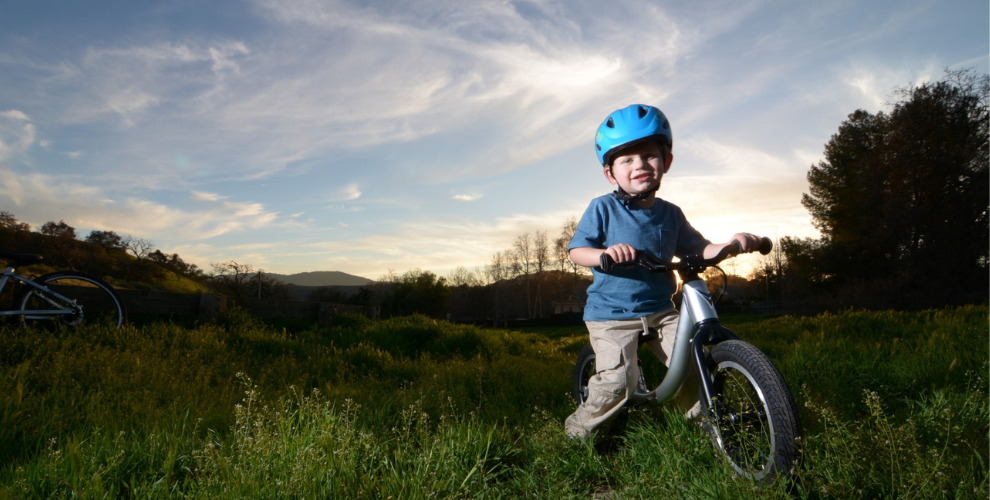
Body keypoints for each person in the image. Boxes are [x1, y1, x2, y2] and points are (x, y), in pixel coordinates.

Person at [564, 104, 763, 440]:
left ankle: (708, 430)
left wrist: (732, 243)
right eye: (626, 159)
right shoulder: (602, 208)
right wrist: (605, 254)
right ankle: (575, 434)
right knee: (617, 383)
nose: (639, 164)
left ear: (666, 162)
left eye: (649, 155)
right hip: (611, 314)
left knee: (691, 364)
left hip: (659, 311)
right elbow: (576, 252)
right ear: (610, 173)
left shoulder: (671, 214)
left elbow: (698, 248)